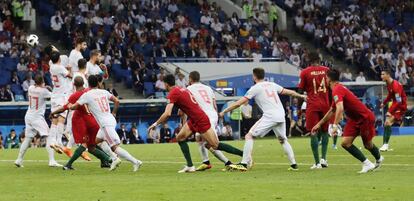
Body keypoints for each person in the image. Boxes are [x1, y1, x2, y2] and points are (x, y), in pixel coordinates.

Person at [148, 74, 243, 173]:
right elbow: (185, 106)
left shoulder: (173, 93)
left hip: (200, 119)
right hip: (195, 118)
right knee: (180, 137)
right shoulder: (182, 89)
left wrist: (154, 125)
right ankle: (191, 166)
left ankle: (244, 156)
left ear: (166, 84)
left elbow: (167, 113)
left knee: (214, 145)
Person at [219, 68, 305, 171]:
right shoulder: (272, 85)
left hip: (270, 115)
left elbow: (239, 103)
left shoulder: (255, 88)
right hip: (280, 115)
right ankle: (293, 164)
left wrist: (224, 111)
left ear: (254, 76)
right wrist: (301, 95)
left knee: (249, 136)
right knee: (283, 140)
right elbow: (289, 92)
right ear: (264, 76)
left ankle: (244, 163)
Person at [311, 69, 384, 173]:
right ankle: (367, 163)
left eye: (326, 78)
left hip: (365, 118)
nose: (325, 80)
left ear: (329, 79)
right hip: (354, 120)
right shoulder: (336, 89)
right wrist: (319, 124)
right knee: (345, 143)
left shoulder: (337, 89)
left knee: (367, 145)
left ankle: (379, 158)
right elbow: (332, 110)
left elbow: (340, 108)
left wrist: (335, 125)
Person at [70, 75, 142, 172]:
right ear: (98, 83)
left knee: (115, 148)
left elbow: (74, 106)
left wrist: (69, 106)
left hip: (105, 124)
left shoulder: (87, 95)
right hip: (110, 119)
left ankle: (135, 162)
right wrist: (114, 113)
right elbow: (117, 101)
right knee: (95, 142)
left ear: (89, 84)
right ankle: (114, 159)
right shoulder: (104, 92)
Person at [50, 76, 114, 170]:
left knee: (84, 144)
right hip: (94, 120)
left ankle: (69, 165)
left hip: (84, 121)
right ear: (84, 83)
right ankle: (105, 161)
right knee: (92, 145)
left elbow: (64, 107)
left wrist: (53, 112)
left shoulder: (75, 95)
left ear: (74, 84)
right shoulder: (88, 90)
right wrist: (104, 74)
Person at [187, 71, 234, 171]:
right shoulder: (208, 88)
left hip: (204, 116)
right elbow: (214, 104)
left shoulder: (189, 89)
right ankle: (206, 162)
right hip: (212, 114)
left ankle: (229, 163)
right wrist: (216, 117)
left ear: (190, 79)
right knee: (199, 137)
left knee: (213, 144)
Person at [14, 74, 61, 167]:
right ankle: (52, 161)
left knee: (28, 138)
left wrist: (44, 87)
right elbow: (53, 96)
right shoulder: (44, 91)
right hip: (37, 117)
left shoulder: (31, 88)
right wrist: (49, 88)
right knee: (49, 136)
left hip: (28, 116)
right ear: (42, 82)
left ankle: (19, 159)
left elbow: (39, 89)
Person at [297, 52, 331, 169]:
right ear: (319, 59)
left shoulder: (305, 72)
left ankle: (317, 163)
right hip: (326, 104)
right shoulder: (327, 70)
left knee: (313, 132)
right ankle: (324, 159)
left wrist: (299, 108)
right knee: (325, 131)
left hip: (312, 105)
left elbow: (300, 92)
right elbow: (332, 88)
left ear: (309, 60)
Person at [48, 50, 73, 158]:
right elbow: (70, 76)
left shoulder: (51, 67)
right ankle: (58, 140)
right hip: (62, 96)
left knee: (54, 118)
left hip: (54, 95)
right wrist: (70, 69)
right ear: (59, 59)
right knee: (62, 119)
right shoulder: (60, 68)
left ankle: (53, 140)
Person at [379, 70, 407, 151]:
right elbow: (390, 95)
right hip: (396, 105)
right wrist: (384, 103)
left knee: (387, 123)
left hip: (401, 106)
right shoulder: (388, 84)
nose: (381, 76)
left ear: (388, 75)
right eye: (381, 74)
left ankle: (385, 145)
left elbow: (399, 101)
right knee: (386, 123)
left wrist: (390, 111)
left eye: (383, 74)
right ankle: (385, 145)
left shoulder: (395, 85)